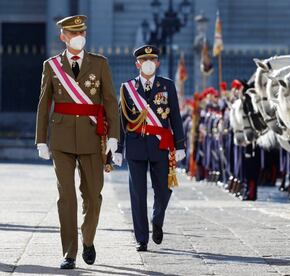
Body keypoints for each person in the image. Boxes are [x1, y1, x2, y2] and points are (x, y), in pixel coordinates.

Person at [35, 15, 119, 269]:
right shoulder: (51, 66)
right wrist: (41, 139)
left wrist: (114, 136)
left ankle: (88, 239)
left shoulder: (99, 63)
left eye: (81, 32)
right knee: (67, 197)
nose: (78, 36)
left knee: (93, 196)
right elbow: (44, 103)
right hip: (61, 139)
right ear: (63, 37)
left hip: (92, 138)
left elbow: (110, 101)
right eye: (72, 33)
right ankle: (69, 252)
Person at [113, 45, 186, 252]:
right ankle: (141, 238)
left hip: (161, 145)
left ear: (157, 63)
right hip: (136, 145)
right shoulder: (127, 88)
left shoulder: (167, 86)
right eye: (143, 60)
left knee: (163, 189)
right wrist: (118, 148)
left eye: (152, 60)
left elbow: (175, 118)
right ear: (137, 64)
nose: (148, 63)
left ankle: (157, 219)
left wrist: (180, 145)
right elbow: (121, 120)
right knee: (137, 193)